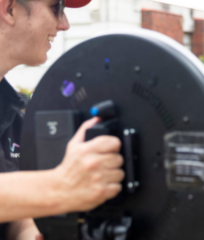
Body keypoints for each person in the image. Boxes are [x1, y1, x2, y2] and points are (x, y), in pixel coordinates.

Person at [0, 0, 124, 238]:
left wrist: (28, 233)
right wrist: (61, 185)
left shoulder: (14, 116)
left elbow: (15, 214)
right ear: (9, 8)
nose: (64, 24)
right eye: (56, 7)